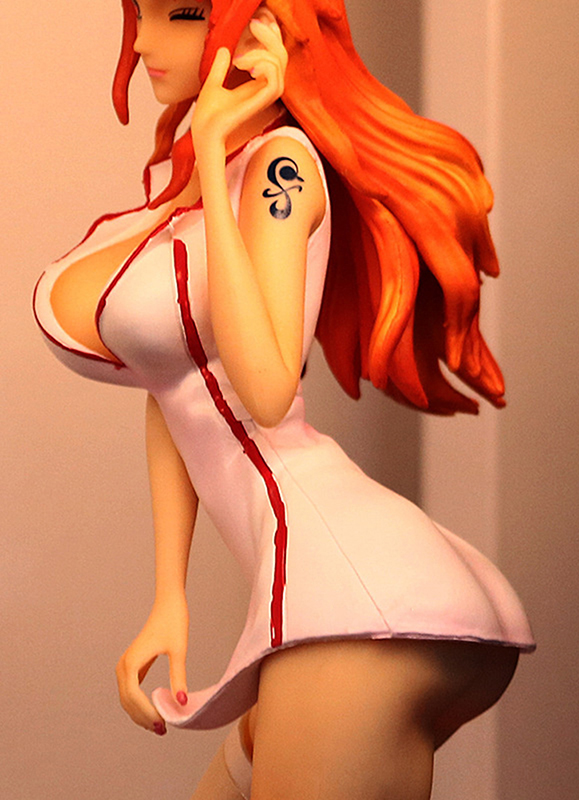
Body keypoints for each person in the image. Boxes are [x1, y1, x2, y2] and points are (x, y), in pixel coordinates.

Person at [33, 1, 534, 797]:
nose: (145, 41)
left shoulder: (279, 168)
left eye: (181, 14)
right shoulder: (209, 180)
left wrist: (208, 152)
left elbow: (266, 389)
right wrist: (170, 594)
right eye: (140, 15)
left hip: (351, 589)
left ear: (256, 28)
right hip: (334, 600)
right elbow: (172, 379)